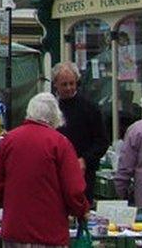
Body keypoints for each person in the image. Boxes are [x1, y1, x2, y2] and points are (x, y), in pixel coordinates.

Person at [0, 92, 89, 247]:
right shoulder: (60, 143)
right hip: (50, 232)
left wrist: (11, 204)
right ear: (56, 116)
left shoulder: (9, 140)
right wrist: (81, 210)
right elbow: (73, 189)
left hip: (15, 231)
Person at [53, 62, 109, 201]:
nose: (69, 88)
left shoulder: (90, 108)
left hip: (84, 173)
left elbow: (102, 141)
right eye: (64, 84)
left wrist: (85, 159)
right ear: (55, 84)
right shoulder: (50, 107)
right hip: (55, 172)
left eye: (72, 83)